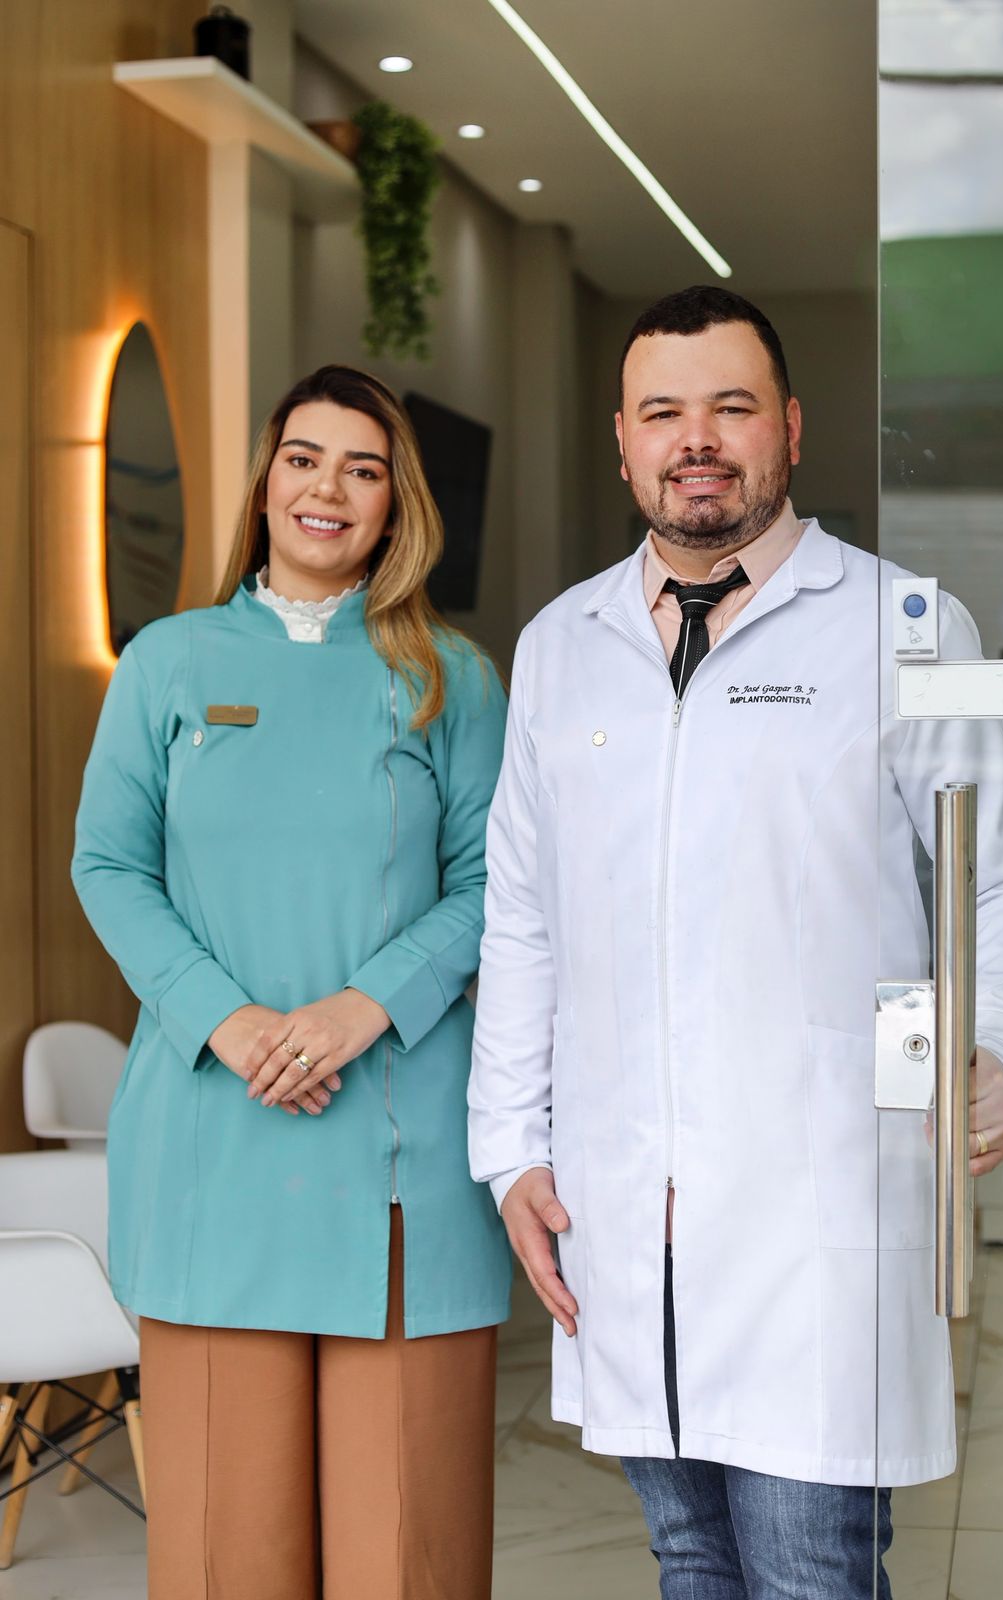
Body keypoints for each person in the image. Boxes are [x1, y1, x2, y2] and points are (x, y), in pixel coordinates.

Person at [468, 287, 1003, 1597]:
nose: (696, 440)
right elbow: (522, 915)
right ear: (622, 443)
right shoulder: (559, 647)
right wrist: (512, 1149)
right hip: (625, 1208)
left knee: (807, 1570)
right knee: (690, 1558)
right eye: (662, 413)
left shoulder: (905, 624)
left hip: (820, 1203)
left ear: (789, 430)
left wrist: (1000, 1047)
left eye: (730, 407)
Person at [73, 365, 511, 1600]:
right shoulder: (167, 663)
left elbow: (497, 884)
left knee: (406, 1555)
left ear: (395, 504)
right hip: (214, 1142)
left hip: (405, 1156)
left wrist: (361, 1008)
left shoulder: (451, 676)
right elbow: (108, 864)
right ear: (266, 483)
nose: (330, 489)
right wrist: (230, 1020)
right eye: (305, 459)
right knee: (228, 1555)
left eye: (364, 470)